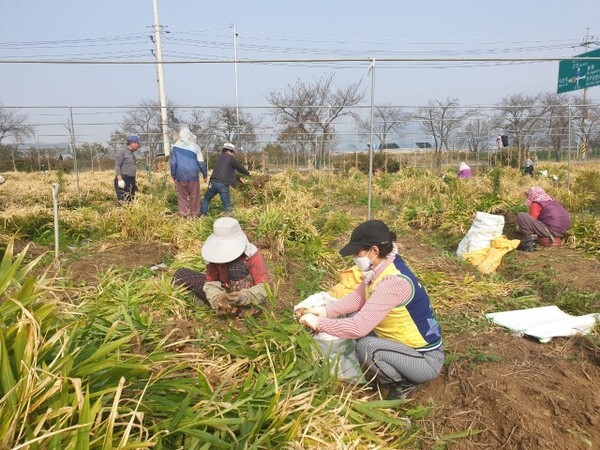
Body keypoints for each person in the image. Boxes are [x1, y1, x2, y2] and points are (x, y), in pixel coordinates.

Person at [298, 220, 444, 400]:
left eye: (358, 252)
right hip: (403, 346)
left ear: (374, 250)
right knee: (353, 318)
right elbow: (357, 299)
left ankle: (402, 382)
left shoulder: (394, 282)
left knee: (367, 348)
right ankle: (389, 369)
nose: (354, 258)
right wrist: (323, 312)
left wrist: (318, 323)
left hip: (424, 360)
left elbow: (358, 327)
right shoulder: (380, 269)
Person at [172, 217, 269, 316]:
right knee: (182, 274)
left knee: (236, 268)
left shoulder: (251, 254)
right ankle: (225, 310)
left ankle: (241, 311)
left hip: (245, 297)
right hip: (224, 291)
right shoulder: (213, 254)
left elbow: (264, 288)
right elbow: (211, 281)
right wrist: (217, 299)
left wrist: (242, 297)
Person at [200, 142, 249, 216]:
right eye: (233, 152)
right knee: (227, 205)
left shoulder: (219, 158)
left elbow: (227, 172)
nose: (233, 154)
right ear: (230, 151)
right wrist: (248, 173)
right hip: (223, 184)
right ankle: (228, 218)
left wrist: (238, 179)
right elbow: (239, 167)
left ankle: (203, 214)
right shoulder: (231, 159)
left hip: (213, 183)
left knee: (207, 198)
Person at [170, 127, 208, 217]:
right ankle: (195, 214)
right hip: (193, 175)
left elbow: (173, 163)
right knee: (194, 195)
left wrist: (174, 175)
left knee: (182, 196)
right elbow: (201, 163)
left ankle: (184, 214)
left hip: (180, 175)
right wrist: (204, 174)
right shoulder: (196, 147)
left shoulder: (175, 148)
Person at [114, 135, 141, 204]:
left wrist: (134, 183)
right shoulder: (122, 152)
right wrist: (120, 179)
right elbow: (117, 166)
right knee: (123, 202)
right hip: (124, 179)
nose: (139, 145)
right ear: (132, 143)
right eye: (138, 143)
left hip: (131, 180)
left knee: (130, 202)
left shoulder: (132, 154)